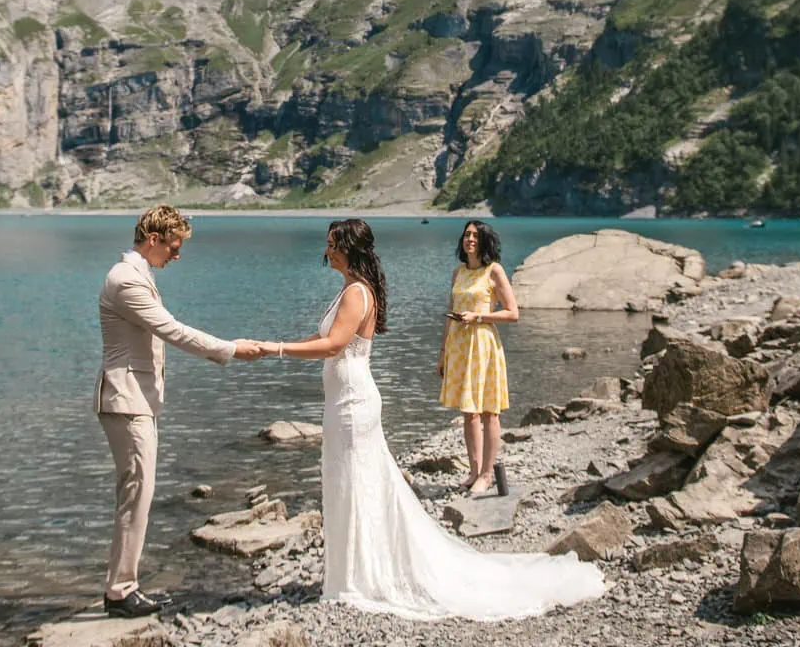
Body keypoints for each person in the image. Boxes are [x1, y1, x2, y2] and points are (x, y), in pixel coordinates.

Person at [256, 219, 603, 621]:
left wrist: (273, 349)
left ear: (348, 248)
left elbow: (333, 345)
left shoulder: (356, 292)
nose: (326, 250)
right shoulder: (351, 288)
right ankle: (356, 570)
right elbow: (331, 341)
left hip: (353, 401)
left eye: (332, 244)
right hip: (345, 399)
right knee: (352, 479)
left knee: (356, 478)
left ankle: (362, 575)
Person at [97, 205, 266, 618]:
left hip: (135, 399)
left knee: (138, 492)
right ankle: (120, 591)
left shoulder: (138, 274)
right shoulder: (125, 280)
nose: (177, 255)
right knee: (137, 494)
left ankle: (124, 585)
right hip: (125, 399)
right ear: (152, 239)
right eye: (173, 246)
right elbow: (170, 329)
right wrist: (229, 349)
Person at [440, 220, 518, 495]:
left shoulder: (493, 271)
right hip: (459, 344)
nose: (469, 239)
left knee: (488, 411)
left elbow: (512, 313)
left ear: (484, 241)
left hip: (483, 342)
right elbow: (451, 312)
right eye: (466, 234)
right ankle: (473, 471)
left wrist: (479, 317)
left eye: (475, 235)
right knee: (468, 411)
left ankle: (487, 474)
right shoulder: (458, 272)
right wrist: (442, 354)